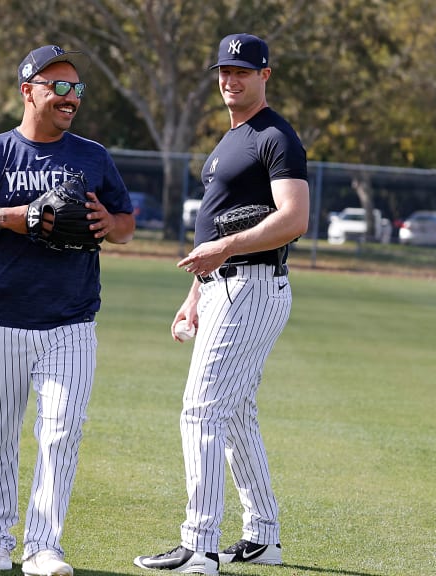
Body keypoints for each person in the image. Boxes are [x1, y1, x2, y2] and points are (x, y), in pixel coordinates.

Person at [0, 45, 136, 576]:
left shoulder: (92, 156)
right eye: (59, 88)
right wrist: (11, 216)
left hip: (71, 321)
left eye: (77, 89)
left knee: (63, 432)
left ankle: (43, 546)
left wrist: (106, 225)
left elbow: (125, 224)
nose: (71, 98)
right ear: (28, 90)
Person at [133, 33, 309, 575]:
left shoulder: (276, 137)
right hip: (224, 289)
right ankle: (263, 537)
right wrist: (194, 297)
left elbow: (294, 218)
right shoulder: (230, 139)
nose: (230, 79)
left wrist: (227, 248)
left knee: (201, 410)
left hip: (253, 285)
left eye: (242, 71)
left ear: (265, 76)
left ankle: (200, 547)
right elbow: (214, 229)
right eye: (224, 71)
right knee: (234, 416)